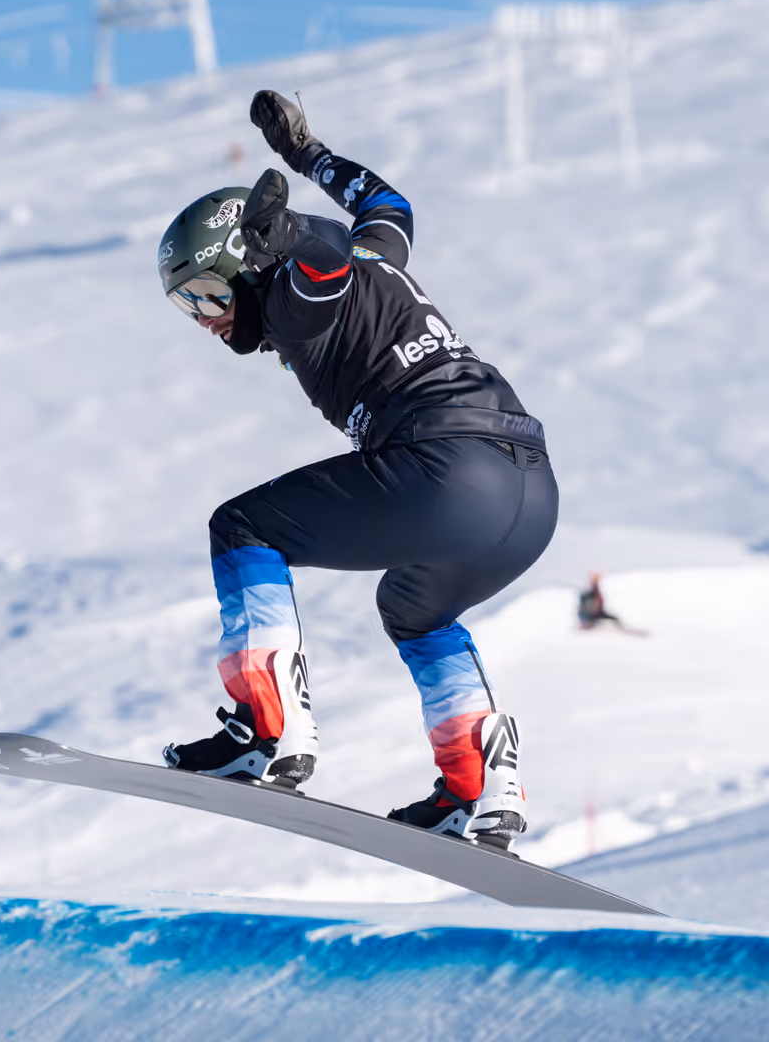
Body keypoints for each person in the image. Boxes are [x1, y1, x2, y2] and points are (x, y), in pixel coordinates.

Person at [156, 91, 557, 848]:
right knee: (415, 610)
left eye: (206, 292)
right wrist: (304, 154)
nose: (206, 319)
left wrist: (292, 229)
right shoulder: (385, 254)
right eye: (187, 305)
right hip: (529, 490)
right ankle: (480, 784)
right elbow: (387, 202)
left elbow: (326, 259)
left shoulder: (290, 295)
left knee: (241, 528)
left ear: (247, 266)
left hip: (445, 470)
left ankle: (267, 730)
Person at [577, 572, 648, 636]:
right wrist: (585, 621)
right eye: (596, 579)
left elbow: (597, 602)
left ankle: (622, 629)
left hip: (598, 612)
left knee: (614, 618)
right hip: (592, 615)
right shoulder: (590, 592)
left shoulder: (595, 589)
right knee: (610, 619)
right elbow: (583, 607)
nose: (598, 580)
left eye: (598, 578)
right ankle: (588, 625)